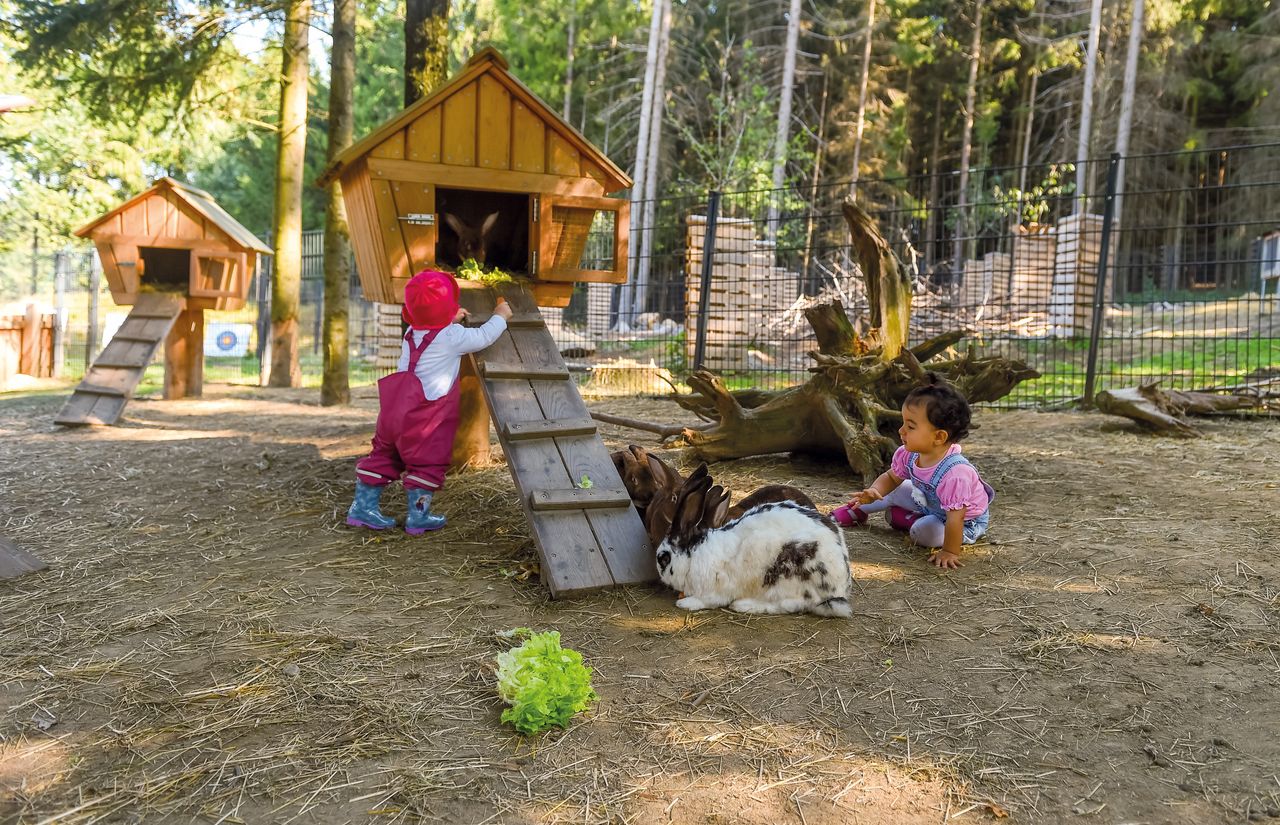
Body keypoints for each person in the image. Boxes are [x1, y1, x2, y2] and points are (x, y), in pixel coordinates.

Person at [346, 269, 512, 534]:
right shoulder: (452, 337)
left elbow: (431, 323)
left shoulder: (412, 331)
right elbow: (483, 337)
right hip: (426, 416)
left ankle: (362, 508)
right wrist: (500, 316)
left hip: (393, 412)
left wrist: (450, 317)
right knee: (426, 463)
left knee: (384, 456)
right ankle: (418, 516)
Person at [832, 373, 993, 569]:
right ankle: (858, 509)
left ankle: (912, 520)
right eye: (903, 423)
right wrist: (876, 491)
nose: (901, 430)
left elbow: (955, 518)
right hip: (929, 503)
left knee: (924, 533)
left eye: (910, 426)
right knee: (895, 489)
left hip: (961, 521)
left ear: (939, 437)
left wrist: (950, 551)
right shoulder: (908, 454)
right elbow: (892, 477)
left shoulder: (955, 475)